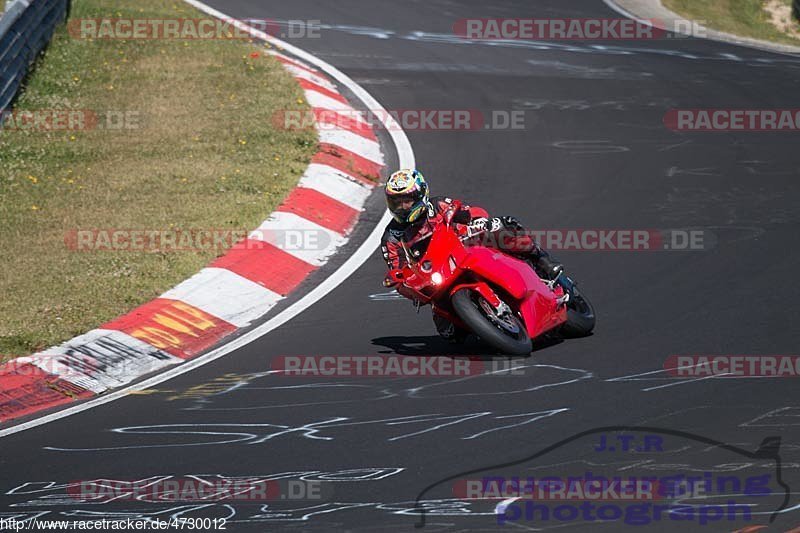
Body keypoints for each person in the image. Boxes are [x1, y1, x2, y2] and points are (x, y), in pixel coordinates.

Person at [379, 169, 563, 342]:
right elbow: (398, 270)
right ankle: (488, 325)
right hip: (437, 276)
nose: (402, 207)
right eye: (396, 202)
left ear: (420, 196)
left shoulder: (438, 205)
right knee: (450, 335)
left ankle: (542, 259)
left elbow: (469, 212)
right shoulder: (391, 237)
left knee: (504, 229)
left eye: (407, 200)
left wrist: (480, 223)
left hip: (467, 248)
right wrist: (403, 281)